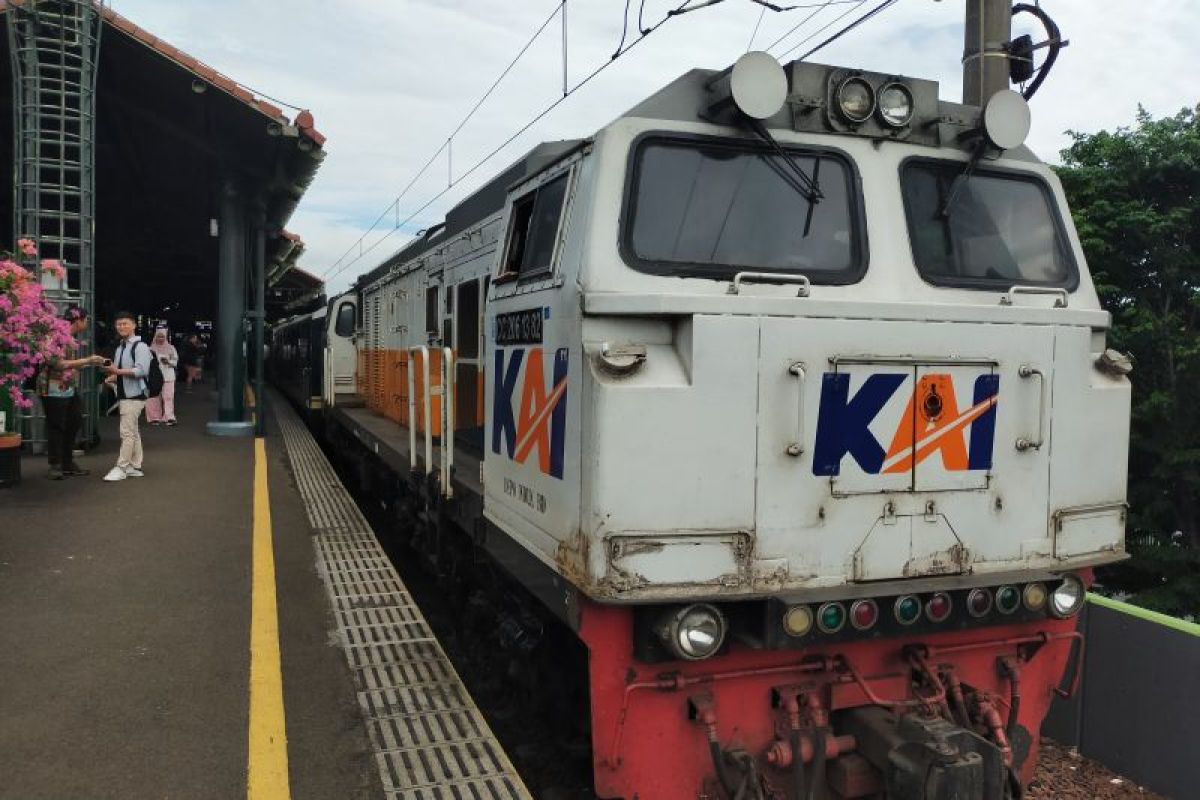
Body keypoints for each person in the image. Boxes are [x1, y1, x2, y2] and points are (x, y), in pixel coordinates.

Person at [37, 304, 105, 479]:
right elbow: (57, 363)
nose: (88, 323)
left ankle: (67, 461)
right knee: (56, 426)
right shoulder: (54, 335)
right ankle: (56, 464)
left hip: (67, 387)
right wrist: (87, 360)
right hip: (51, 388)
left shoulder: (69, 337)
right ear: (79, 320)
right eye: (86, 320)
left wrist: (86, 363)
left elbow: (68, 364)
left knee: (74, 420)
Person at [102, 311, 152, 482]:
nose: (121, 327)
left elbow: (141, 370)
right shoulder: (121, 347)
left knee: (127, 433)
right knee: (133, 432)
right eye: (119, 324)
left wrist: (117, 372)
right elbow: (122, 370)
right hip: (126, 394)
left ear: (133, 325)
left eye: (125, 323)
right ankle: (134, 466)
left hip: (135, 395)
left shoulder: (141, 347)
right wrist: (114, 376)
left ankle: (122, 467)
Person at [146, 327, 178, 426]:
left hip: (168, 376)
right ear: (155, 337)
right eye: (159, 336)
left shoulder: (171, 348)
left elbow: (175, 361)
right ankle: (154, 417)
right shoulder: (150, 349)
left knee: (168, 396)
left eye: (162, 337)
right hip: (154, 375)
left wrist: (168, 362)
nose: (160, 339)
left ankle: (169, 417)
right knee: (153, 396)